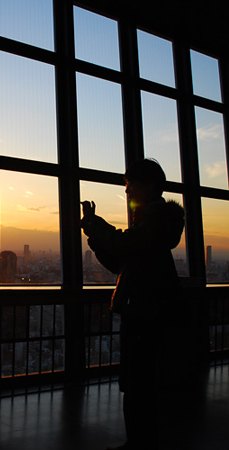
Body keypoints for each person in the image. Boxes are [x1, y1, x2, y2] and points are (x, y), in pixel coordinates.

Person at [80, 159, 185, 450]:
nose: (126, 192)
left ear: (149, 185)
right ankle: (140, 440)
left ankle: (139, 442)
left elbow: (123, 250)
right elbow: (122, 260)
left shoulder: (156, 225)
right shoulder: (152, 226)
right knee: (138, 380)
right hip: (144, 308)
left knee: (138, 381)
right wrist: (97, 237)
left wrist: (94, 226)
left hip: (144, 310)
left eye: (131, 185)